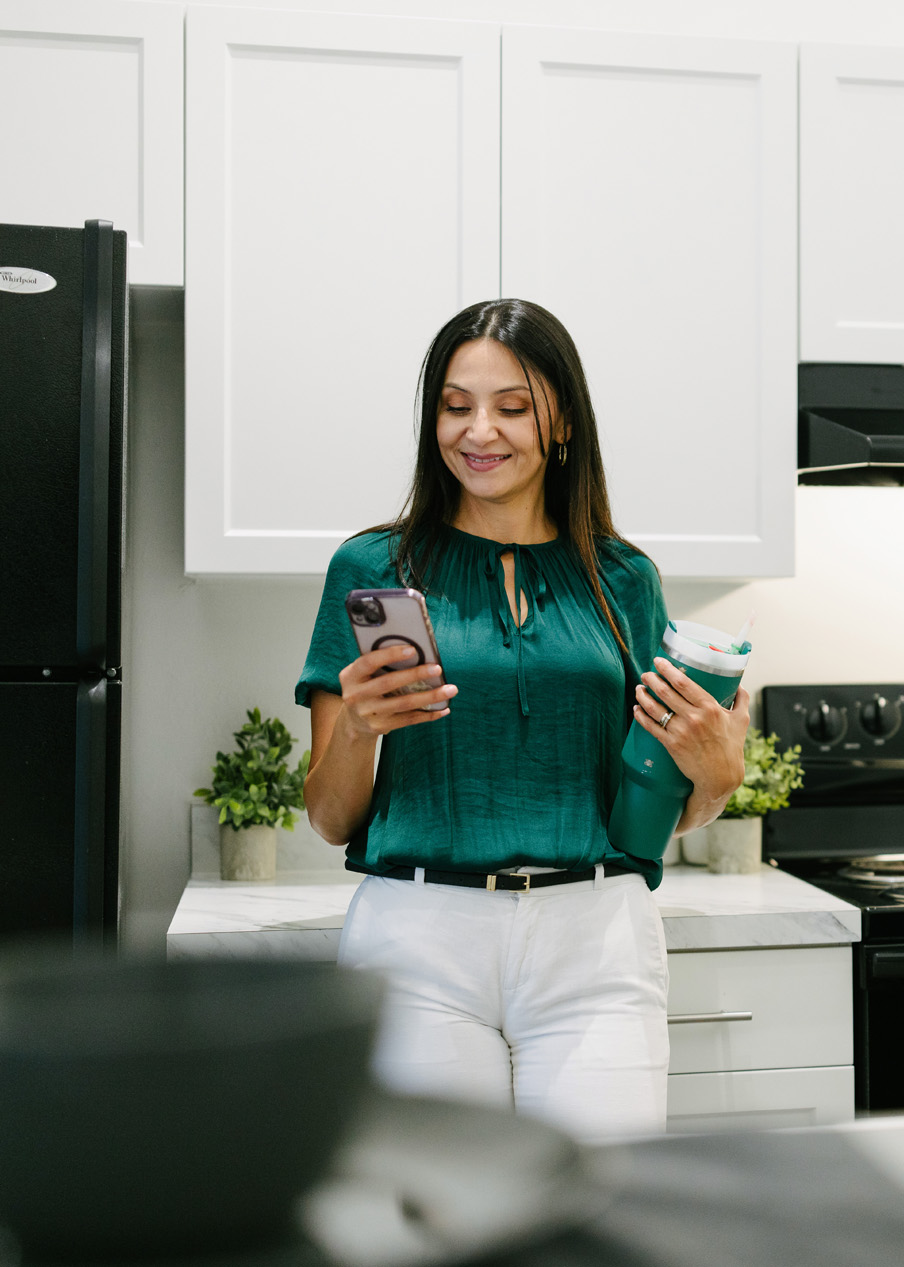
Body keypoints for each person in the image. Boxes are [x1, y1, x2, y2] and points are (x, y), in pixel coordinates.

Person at [295, 299, 749, 1137]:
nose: (480, 431)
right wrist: (357, 727)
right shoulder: (372, 566)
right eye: (455, 405)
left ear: (562, 421)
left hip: (597, 941)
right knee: (442, 1205)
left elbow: (649, 814)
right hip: (417, 938)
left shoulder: (624, 578)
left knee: (598, 1199)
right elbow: (330, 818)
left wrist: (716, 778)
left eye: (511, 407)